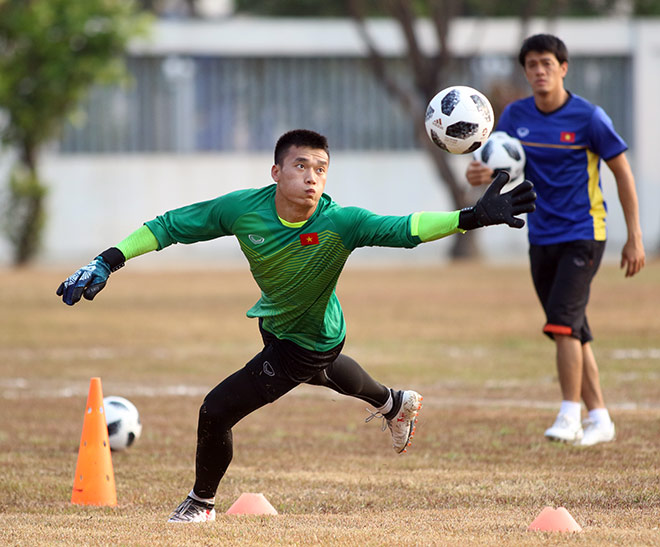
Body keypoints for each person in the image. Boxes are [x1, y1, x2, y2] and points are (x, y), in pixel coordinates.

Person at [57, 129, 535, 522]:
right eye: (302, 165)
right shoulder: (243, 208)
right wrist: (107, 261)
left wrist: (471, 217)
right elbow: (168, 226)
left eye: (321, 169)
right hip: (281, 324)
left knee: (216, 411)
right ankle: (395, 403)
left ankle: (200, 504)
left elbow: (405, 229)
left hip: (306, 342)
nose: (312, 177)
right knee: (324, 374)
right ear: (276, 172)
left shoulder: (341, 221)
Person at [466, 34, 645, 447]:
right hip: (540, 234)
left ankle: (570, 415)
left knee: (563, 324)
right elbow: (494, 164)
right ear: (525, 71)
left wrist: (634, 237)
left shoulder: (589, 118)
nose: (540, 71)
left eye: (547, 63)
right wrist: (477, 175)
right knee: (572, 328)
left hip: (584, 233)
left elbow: (623, 173)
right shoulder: (515, 115)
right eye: (532, 64)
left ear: (563, 68)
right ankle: (600, 417)